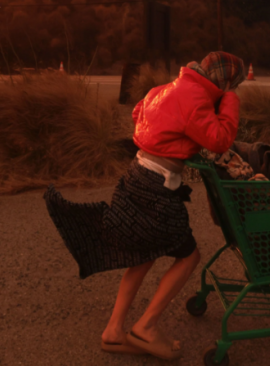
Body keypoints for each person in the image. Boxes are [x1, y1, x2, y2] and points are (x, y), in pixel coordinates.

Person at [43, 51, 246, 360]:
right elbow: (219, 140)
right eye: (235, 85)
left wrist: (173, 138)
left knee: (143, 255)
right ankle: (146, 327)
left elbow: (138, 113)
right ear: (226, 82)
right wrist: (230, 101)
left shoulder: (166, 88)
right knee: (189, 257)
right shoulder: (194, 97)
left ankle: (113, 332)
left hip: (137, 175)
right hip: (158, 187)